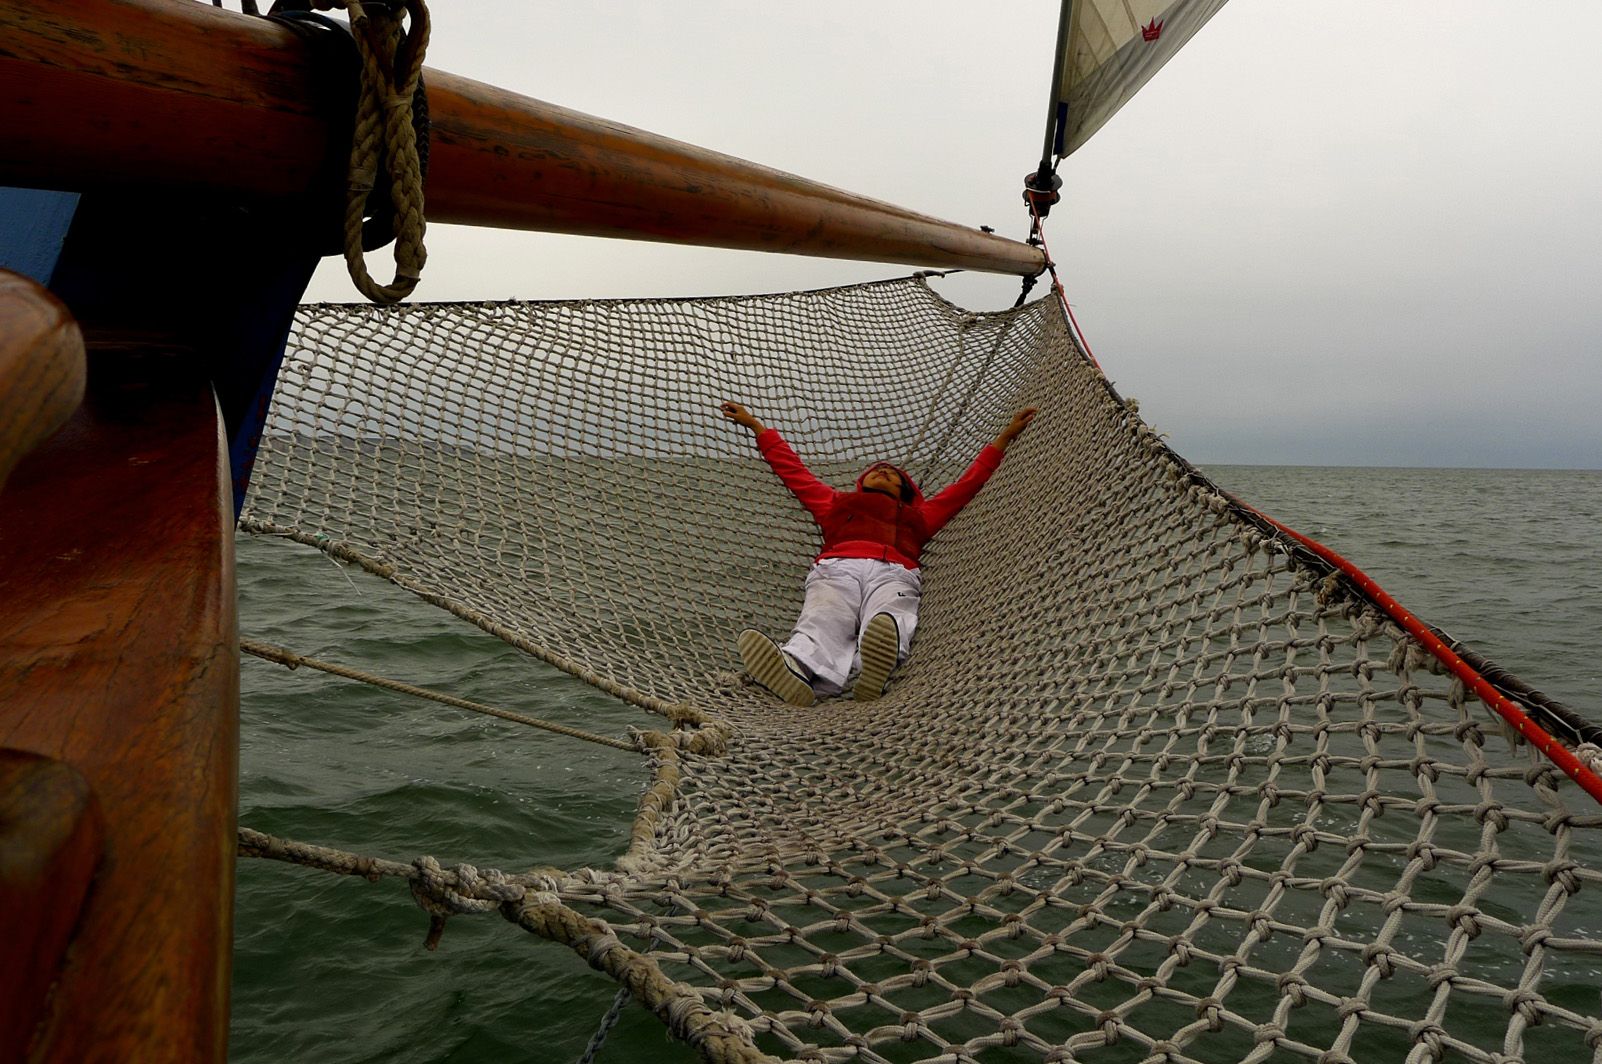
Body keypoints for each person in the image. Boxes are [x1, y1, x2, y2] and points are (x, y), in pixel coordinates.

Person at [719, 400, 1038, 705]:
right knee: (823, 615)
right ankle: (797, 668)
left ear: (905, 490)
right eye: (877, 470)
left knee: (888, 614)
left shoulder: (921, 515)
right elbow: (795, 472)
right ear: (862, 482)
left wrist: (1004, 438)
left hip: (894, 571)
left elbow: (965, 486)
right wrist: (757, 427)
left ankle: (872, 666)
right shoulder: (834, 502)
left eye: (894, 474)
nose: (884, 472)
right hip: (837, 568)